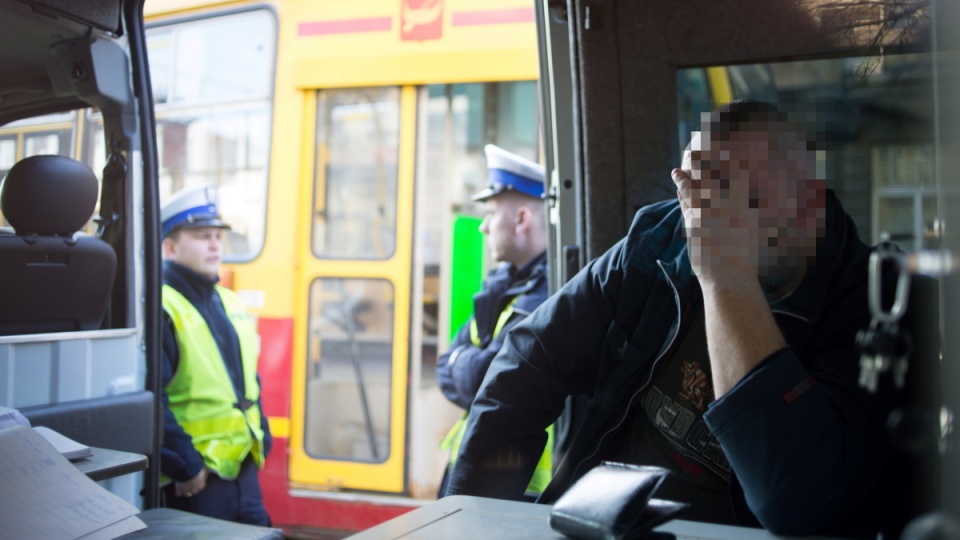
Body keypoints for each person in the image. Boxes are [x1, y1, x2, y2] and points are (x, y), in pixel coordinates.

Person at [443, 101, 901, 537]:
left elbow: (794, 496)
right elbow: (527, 365)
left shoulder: (867, 305)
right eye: (695, 195)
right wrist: (475, 521)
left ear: (808, 203)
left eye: (735, 199)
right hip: (610, 523)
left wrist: (725, 277)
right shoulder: (662, 240)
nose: (703, 221)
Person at [437, 144, 551, 498]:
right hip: (479, 472)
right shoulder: (501, 286)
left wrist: (466, 362)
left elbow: (495, 382)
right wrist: (469, 365)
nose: (483, 227)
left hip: (515, 487)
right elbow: (446, 366)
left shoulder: (548, 293)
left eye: (489, 213)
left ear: (521, 219)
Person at [159, 184, 272, 526]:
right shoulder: (162, 306)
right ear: (170, 248)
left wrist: (261, 434)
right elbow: (153, 400)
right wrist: (186, 464)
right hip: (197, 480)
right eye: (201, 236)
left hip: (242, 468)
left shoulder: (229, 301)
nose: (214, 244)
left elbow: (246, 380)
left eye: (217, 236)